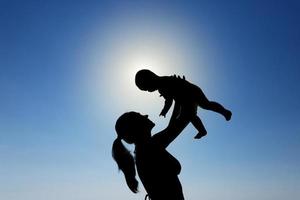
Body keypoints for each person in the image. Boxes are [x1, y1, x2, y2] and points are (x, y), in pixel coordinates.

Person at [112, 103, 189, 200]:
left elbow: (174, 124)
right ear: (137, 127)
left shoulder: (145, 148)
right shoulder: (149, 147)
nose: (146, 115)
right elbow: (184, 118)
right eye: (140, 116)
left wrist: (177, 101)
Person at [135, 69, 232, 139]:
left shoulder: (166, 82)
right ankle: (202, 131)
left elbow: (173, 102)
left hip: (192, 91)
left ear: (151, 78)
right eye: (146, 90)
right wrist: (165, 110)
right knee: (191, 115)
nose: (148, 91)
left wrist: (170, 119)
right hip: (185, 99)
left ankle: (224, 112)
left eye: (147, 88)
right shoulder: (161, 88)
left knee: (206, 105)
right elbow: (169, 101)